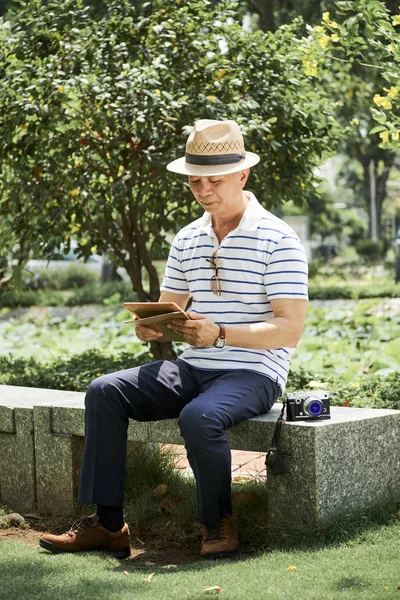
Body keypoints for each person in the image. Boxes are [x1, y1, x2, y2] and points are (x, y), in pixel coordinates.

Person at [39, 119, 308, 559]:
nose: (203, 190)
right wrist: (153, 326)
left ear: (242, 175)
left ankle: (217, 523)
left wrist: (219, 334)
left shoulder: (279, 239)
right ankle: (108, 526)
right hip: (192, 367)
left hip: (254, 372)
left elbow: (289, 329)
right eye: (194, 181)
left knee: (199, 417)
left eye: (214, 181)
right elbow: (169, 308)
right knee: (104, 391)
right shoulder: (187, 238)